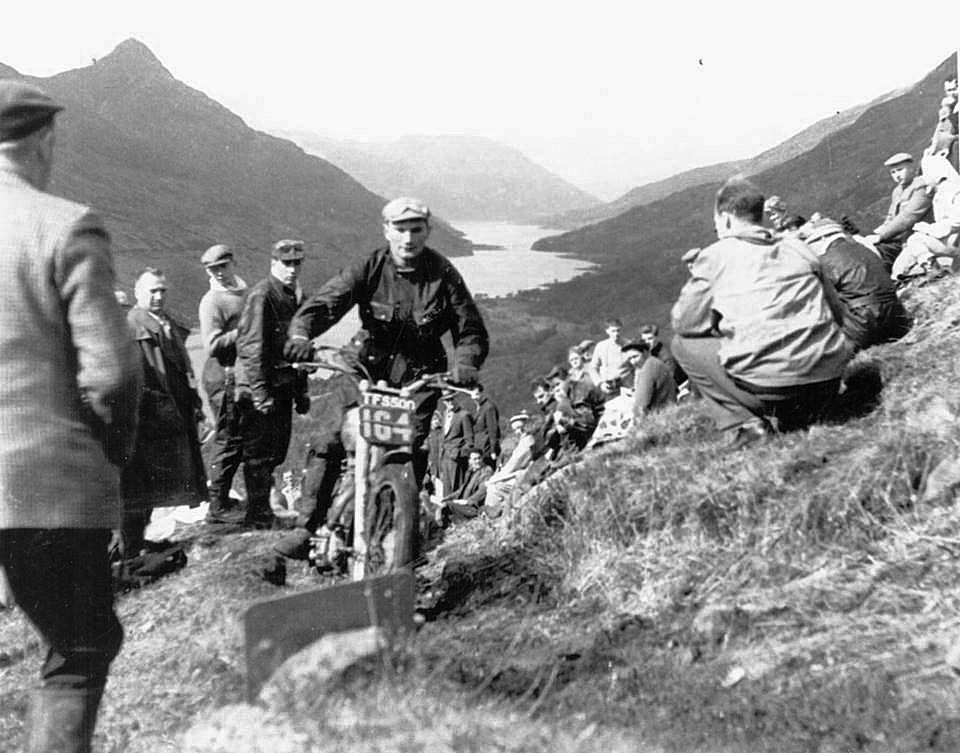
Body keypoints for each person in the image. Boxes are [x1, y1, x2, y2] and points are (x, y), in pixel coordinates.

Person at [0, 80, 141, 753]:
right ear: (44, 140)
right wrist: (115, 450)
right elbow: (112, 375)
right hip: (45, 486)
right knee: (80, 644)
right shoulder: (65, 225)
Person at [285, 197, 489, 486]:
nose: (408, 238)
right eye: (400, 229)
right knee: (329, 440)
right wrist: (300, 335)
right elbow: (325, 304)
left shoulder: (443, 273)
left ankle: (404, 508)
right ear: (387, 230)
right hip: (364, 364)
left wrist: (466, 363)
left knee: (409, 447)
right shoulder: (369, 267)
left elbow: (470, 328)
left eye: (416, 230)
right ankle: (311, 514)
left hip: (420, 374)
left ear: (428, 231)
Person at [671, 178, 852, 447]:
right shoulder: (798, 247)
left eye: (716, 221)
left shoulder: (715, 256)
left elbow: (684, 323)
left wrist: (722, 325)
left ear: (726, 218)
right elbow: (837, 312)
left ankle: (746, 424)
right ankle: (805, 410)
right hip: (828, 380)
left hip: (773, 390)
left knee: (681, 344)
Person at [122, 269, 207, 552]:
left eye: (162, 290)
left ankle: (136, 544)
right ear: (138, 293)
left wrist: (194, 404)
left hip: (173, 414)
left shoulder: (165, 324)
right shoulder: (133, 327)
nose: (159, 296)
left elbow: (184, 369)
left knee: (153, 487)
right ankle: (129, 549)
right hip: (150, 420)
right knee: (140, 486)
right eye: (152, 291)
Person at [236, 240, 312, 528]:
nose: (292, 269)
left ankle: (263, 511)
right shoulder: (263, 295)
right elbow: (251, 347)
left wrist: (301, 391)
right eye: (286, 263)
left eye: (297, 263)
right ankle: (257, 516)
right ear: (273, 263)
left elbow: (297, 347)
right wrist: (260, 393)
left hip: (282, 386)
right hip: (263, 388)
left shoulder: (293, 296)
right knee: (259, 454)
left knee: (276, 451)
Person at [197, 244, 249, 524]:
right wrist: (244, 332)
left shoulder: (242, 291)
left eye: (222, 267)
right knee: (228, 438)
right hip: (222, 374)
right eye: (212, 269)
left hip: (238, 374)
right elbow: (212, 344)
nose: (218, 273)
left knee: (239, 438)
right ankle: (216, 506)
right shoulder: (212, 301)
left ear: (233, 264)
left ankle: (223, 498)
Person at [800, 218, 912, 348]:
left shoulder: (824, 262)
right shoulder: (865, 248)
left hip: (864, 324)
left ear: (822, 239)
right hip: (898, 318)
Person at [892, 154, 960, 280]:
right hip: (953, 237)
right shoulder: (942, 190)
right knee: (911, 248)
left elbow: (957, 221)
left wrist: (930, 229)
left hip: (956, 239)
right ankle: (899, 274)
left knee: (916, 240)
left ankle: (932, 268)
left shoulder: (953, 190)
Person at [863, 153, 934, 271]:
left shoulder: (921, 186)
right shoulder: (897, 191)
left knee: (880, 256)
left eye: (900, 170)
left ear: (911, 168)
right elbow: (891, 218)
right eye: (893, 172)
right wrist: (875, 233)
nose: (897, 175)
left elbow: (908, 217)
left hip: (913, 238)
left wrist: (881, 236)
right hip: (897, 238)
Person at [438, 448, 494, 524]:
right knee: (443, 504)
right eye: (475, 459)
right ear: (469, 461)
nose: (478, 461)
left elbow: (482, 491)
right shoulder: (470, 471)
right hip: (463, 504)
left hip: (473, 507)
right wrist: (447, 498)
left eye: (479, 458)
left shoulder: (486, 471)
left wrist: (467, 501)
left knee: (448, 506)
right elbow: (460, 490)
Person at [621, 341, 677, 417]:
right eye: (630, 359)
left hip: (661, 415)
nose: (633, 362)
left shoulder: (649, 367)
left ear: (645, 353)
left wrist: (635, 421)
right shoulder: (652, 362)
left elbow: (641, 406)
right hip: (667, 408)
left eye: (635, 357)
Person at [438, 391, 474, 497]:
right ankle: (447, 506)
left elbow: (470, 440)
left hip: (456, 457)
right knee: (447, 488)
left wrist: (459, 453)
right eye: (447, 400)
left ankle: (456, 506)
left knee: (457, 487)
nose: (450, 402)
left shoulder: (464, 415)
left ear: (456, 399)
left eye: (452, 399)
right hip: (445, 456)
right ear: (444, 402)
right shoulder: (445, 414)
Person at [589, 317, 627, 390]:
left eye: (618, 330)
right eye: (613, 331)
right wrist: (600, 383)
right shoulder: (601, 346)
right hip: (607, 386)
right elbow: (593, 368)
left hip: (625, 385)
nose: (616, 334)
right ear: (607, 331)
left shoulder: (628, 344)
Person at [469, 384, 501, 467]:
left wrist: (493, 450)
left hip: (487, 448)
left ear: (482, 393)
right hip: (479, 447)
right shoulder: (478, 407)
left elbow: (493, 430)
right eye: (472, 395)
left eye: (476, 394)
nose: (474, 397)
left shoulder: (489, 407)